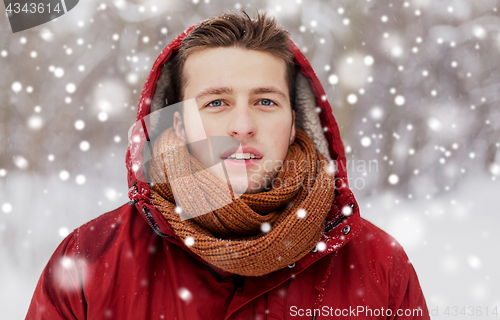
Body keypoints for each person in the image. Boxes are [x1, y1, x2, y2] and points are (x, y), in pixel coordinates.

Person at [26, 11, 430, 319]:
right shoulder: (91, 261)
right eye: (216, 103)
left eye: (265, 101)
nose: (242, 126)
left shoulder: (378, 265)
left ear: (294, 123)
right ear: (180, 124)